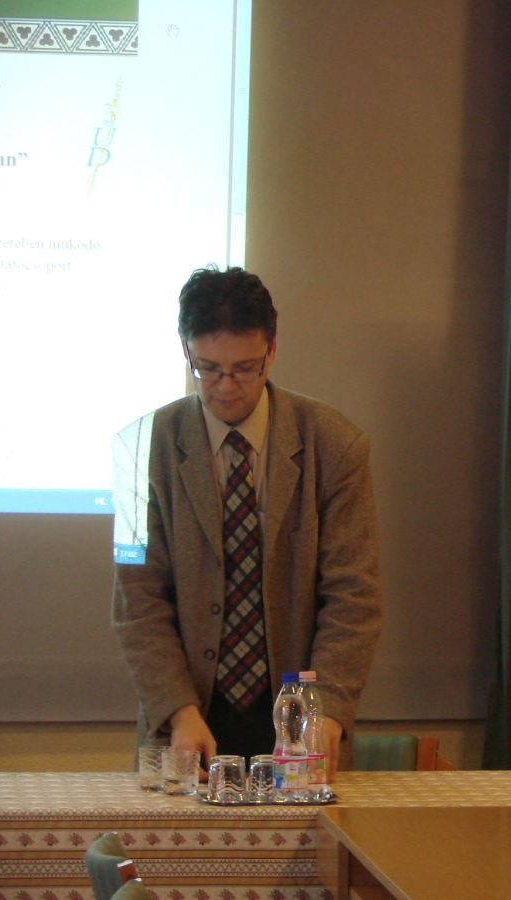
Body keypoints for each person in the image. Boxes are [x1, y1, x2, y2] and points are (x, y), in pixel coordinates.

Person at [112, 265, 383, 774]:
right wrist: (179, 712)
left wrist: (327, 709)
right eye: (208, 369)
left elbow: (354, 596)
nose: (226, 387)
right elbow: (137, 600)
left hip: (300, 721)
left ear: (272, 351)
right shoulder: (138, 450)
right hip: (186, 720)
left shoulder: (336, 445)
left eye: (244, 368)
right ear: (186, 351)